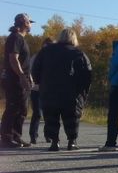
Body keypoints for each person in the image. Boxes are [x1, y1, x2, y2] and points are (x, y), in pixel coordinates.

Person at [31, 29, 92, 151]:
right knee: (72, 117)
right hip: (71, 92)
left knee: (51, 117)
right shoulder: (78, 53)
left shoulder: (46, 51)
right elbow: (87, 74)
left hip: (49, 90)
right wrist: (83, 91)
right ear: (74, 38)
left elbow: (35, 68)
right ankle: (72, 141)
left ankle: (54, 141)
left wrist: (39, 82)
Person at [1, 13, 34, 148]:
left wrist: (29, 76)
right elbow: (13, 59)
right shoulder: (15, 38)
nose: (31, 25)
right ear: (24, 23)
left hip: (21, 77)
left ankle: (16, 136)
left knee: (22, 109)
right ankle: (6, 138)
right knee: (13, 107)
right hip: (14, 79)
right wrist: (21, 76)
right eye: (29, 22)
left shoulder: (22, 39)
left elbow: (24, 61)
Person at [28, 37, 53, 144]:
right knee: (37, 113)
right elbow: (29, 70)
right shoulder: (36, 56)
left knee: (49, 113)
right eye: (46, 45)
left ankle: (48, 135)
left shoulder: (53, 58)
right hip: (36, 88)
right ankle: (33, 135)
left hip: (49, 89)